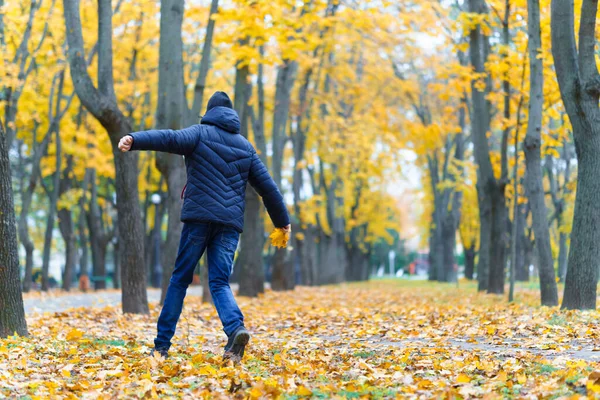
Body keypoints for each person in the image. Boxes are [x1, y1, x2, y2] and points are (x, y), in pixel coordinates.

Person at [118, 91, 291, 360]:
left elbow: (169, 138)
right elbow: (268, 189)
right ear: (231, 115)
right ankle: (235, 329)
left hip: (199, 218)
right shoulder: (246, 147)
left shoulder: (200, 133)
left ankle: (161, 346)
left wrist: (135, 139)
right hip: (229, 224)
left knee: (179, 280)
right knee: (220, 282)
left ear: (209, 112)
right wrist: (282, 222)